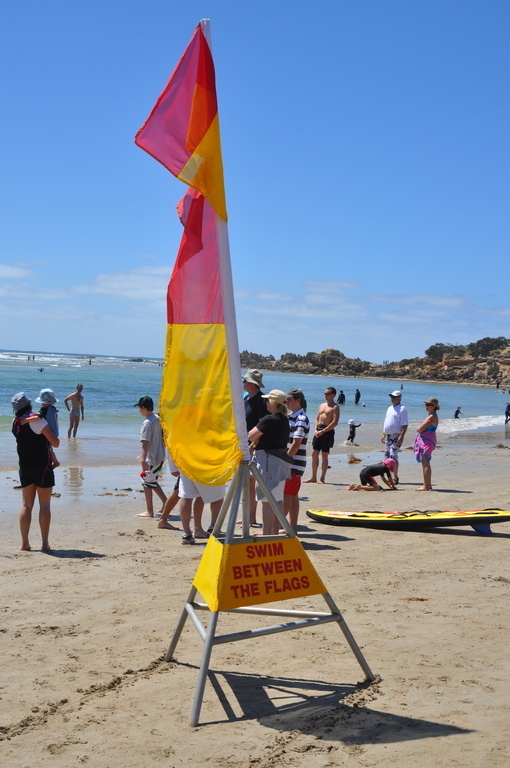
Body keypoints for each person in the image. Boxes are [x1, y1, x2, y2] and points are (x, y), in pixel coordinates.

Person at [11, 392, 60, 551]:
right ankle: (45, 544)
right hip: (43, 466)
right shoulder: (38, 421)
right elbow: (56, 442)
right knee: (44, 505)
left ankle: (24, 543)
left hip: (25, 466)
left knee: (26, 505)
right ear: (29, 405)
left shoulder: (15, 422)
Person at [248, 390, 292, 536]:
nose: (265, 403)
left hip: (268, 462)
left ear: (273, 403)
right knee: (277, 499)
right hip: (281, 462)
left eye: (267, 401)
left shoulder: (269, 419)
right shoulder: (284, 419)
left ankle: (267, 534)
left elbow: (250, 436)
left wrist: (254, 442)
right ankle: (273, 533)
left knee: (266, 500)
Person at [133, 396, 167, 518]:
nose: (139, 411)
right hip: (160, 455)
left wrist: (143, 460)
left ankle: (149, 511)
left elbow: (145, 442)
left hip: (153, 458)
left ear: (144, 408)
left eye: (139, 408)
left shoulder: (147, 423)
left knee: (146, 482)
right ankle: (166, 502)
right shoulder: (157, 418)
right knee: (152, 481)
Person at [243, 369, 269, 527]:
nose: (243, 382)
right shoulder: (248, 398)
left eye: (245, 380)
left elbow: (262, 425)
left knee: (251, 484)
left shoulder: (260, 401)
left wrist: (253, 445)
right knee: (247, 485)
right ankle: (248, 516)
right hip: (246, 446)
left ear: (252, 384)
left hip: (254, 447)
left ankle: (251, 517)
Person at [283, 389, 310, 532]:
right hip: (293, 462)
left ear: (298, 400)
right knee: (292, 495)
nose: (287, 403)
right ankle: (291, 527)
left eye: (289, 400)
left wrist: (285, 460)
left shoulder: (301, 418)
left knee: (287, 495)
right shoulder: (291, 416)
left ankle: (283, 525)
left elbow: (296, 442)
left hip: (293, 463)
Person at [304, 387, 339, 484]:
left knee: (324, 454)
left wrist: (323, 431)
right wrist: (315, 430)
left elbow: (335, 422)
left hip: (327, 431)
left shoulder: (335, 407)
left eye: (327, 394)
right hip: (318, 430)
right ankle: (313, 477)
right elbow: (317, 418)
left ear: (333, 395)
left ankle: (322, 478)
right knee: (314, 453)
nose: (325, 395)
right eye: (325, 393)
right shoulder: (321, 405)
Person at [21, 388, 60, 469]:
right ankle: (55, 462)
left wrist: (26, 420)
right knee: (50, 448)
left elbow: (38, 418)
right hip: (55, 431)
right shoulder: (53, 409)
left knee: (49, 449)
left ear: (42, 402)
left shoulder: (44, 410)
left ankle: (56, 462)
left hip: (50, 432)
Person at [381, 390, 408, 484]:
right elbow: (387, 422)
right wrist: (383, 434)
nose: (392, 399)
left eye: (394, 397)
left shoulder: (402, 409)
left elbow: (405, 425)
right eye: (391, 397)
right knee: (386, 457)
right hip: (388, 436)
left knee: (393, 457)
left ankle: (395, 477)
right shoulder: (389, 408)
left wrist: (401, 437)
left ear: (399, 398)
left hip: (396, 436)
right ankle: (388, 476)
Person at [414, 398, 440, 491]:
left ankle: (426, 485)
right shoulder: (433, 415)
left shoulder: (431, 417)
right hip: (428, 440)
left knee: (426, 463)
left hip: (427, 441)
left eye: (429, 405)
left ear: (434, 407)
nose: (427, 406)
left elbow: (419, 429)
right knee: (426, 463)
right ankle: (428, 485)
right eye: (426, 405)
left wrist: (419, 428)